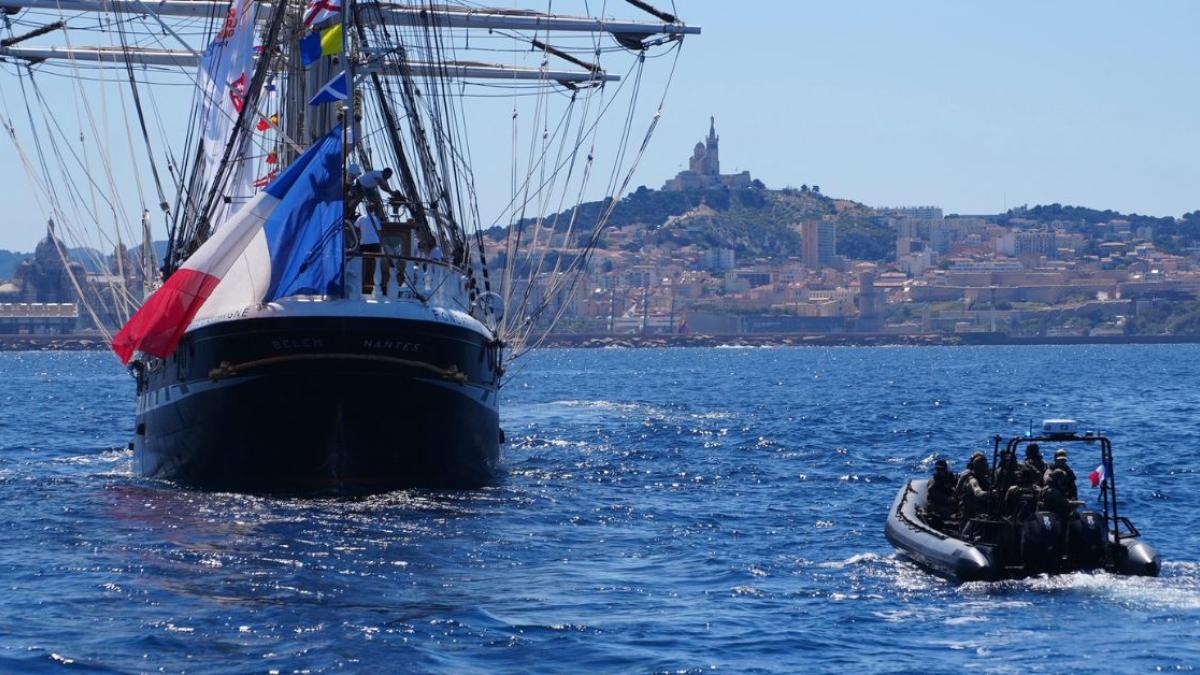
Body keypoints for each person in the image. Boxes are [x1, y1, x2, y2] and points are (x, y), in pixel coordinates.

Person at [354, 210, 388, 295]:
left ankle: (363, 286)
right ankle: (373, 286)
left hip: (364, 243)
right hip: (375, 243)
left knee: (363, 263)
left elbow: (355, 227)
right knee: (374, 263)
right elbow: (379, 230)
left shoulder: (361, 218)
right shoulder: (376, 219)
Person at [955, 452, 992, 525]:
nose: (988, 467)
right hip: (971, 513)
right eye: (985, 466)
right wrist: (991, 494)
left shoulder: (984, 477)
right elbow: (978, 493)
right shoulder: (972, 479)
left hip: (981, 508)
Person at [923, 458, 957, 531]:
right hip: (937, 505)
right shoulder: (934, 482)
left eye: (942, 469)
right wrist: (948, 499)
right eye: (938, 469)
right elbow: (932, 494)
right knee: (950, 516)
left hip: (950, 502)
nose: (940, 471)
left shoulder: (950, 477)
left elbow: (955, 487)